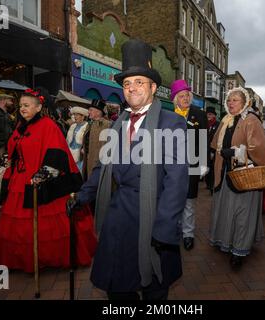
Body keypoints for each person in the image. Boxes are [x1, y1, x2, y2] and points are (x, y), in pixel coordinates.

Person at [69, 39, 189, 300]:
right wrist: (83, 195)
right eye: (126, 83)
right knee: (117, 286)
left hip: (153, 216)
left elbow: (177, 180)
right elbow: (103, 166)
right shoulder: (118, 124)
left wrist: (165, 227)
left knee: (154, 288)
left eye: (139, 82)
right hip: (120, 215)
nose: (131, 88)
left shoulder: (172, 123)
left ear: (153, 87)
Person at [0, 88, 95, 272]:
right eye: (21, 105)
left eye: (26, 105)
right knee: (18, 227)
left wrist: (40, 177)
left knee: (50, 227)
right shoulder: (20, 127)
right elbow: (14, 151)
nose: (22, 108)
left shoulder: (49, 126)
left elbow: (57, 156)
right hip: (19, 182)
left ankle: (48, 258)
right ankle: (21, 258)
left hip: (40, 182)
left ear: (38, 108)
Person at [209, 87, 265, 269]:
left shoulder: (251, 120)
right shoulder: (226, 120)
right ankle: (226, 241)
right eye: (229, 100)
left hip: (245, 176)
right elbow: (215, 145)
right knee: (226, 209)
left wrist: (234, 152)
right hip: (226, 174)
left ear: (245, 103)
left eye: (235, 100)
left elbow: (259, 149)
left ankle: (239, 250)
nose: (231, 103)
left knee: (242, 214)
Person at [171, 79, 208, 251]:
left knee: (189, 201)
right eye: (182, 96)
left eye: (187, 96)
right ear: (175, 99)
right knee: (172, 198)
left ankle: (188, 234)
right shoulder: (169, 115)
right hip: (172, 166)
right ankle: (174, 230)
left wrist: (203, 164)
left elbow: (203, 140)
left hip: (192, 164)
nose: (185, 99)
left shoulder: (198, 114)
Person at [82, 99, 112, 181]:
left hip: (98, 162)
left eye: (91, 110)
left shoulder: (107, 125)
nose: (89, 112)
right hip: (88, 159)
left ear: (98, 112)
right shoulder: (90, 124)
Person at [66, 106, 89, 174]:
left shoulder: (87, 127)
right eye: (74, 114)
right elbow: (67, 140)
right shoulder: (72, 126)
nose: (75, 116)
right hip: (70, 154)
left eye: (77, 115)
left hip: (80, 156)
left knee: (78, 174)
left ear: (83, 116)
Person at [206, 107, 219, 193]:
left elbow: (217, 138)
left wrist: (213, 151)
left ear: (214, 115)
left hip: (213, 150)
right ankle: (208, 184)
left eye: (210, 114)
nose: (208, 116)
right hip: (205, 149)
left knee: (212, 168)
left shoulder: (217, 124)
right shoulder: (205, 124)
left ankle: (211, 186)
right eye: (207, 114)